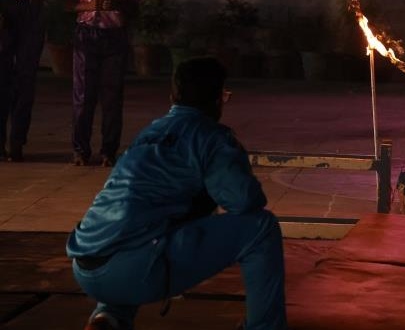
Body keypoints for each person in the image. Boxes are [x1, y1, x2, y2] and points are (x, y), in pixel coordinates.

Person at [67, 57, 286, 330]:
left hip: (86, 264)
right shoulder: (210, 137)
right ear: (218, 99)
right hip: (134, 270)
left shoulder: (149, 133)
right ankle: (265, 327)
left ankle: (108, 318)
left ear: (173, 96)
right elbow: (244, 201)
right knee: (261, 228)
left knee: (138, 226)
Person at [64, 0, 140, 167]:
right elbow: (67, 4)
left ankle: (108, 150)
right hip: (88, 35)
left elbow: (135, 7)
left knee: (112, 97)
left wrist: (118, 4)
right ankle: (80, 149)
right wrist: (92, 5)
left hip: (114, 36)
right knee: (83, 96)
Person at [0, 0, 57, 162]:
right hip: (3, 10)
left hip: (30, 11)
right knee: (2, 78)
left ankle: (17, 141)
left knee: (26, 78)